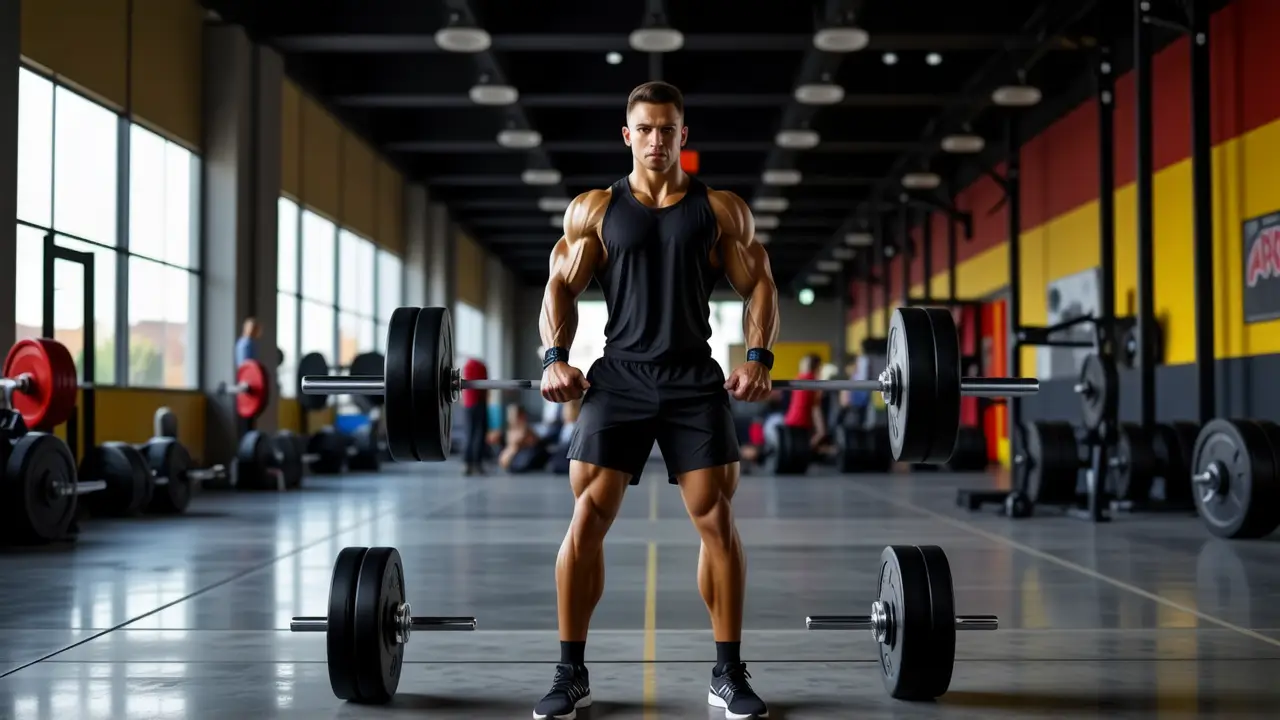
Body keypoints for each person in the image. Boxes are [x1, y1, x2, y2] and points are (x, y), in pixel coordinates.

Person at [534, 80, 776, 720]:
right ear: (628, 135)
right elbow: (559, 283)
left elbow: (760, 282)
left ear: (683, 136)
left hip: (695, 378)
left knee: (715, 520)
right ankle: (570, 672)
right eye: (645, 129)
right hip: (618, 377)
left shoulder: (720, 209)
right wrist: (556, 359)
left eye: (668, 129)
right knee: (588, 517)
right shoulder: (595, 210)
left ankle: (727, 673)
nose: (657, 140)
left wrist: (757, 359)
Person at [783, 353, 826, 448]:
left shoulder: (800, 378)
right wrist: (821, 430)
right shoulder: (813, 381)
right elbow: (816, 407)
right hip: (802, 422)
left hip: (792, 420)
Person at [461, 356, 489, 475]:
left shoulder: (467, 366)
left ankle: (468, 464)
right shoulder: (480, 366)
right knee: (479, 434)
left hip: (468, 405)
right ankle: (477, 463)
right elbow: (486, 387)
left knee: (469, 434)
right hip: (479, 403)